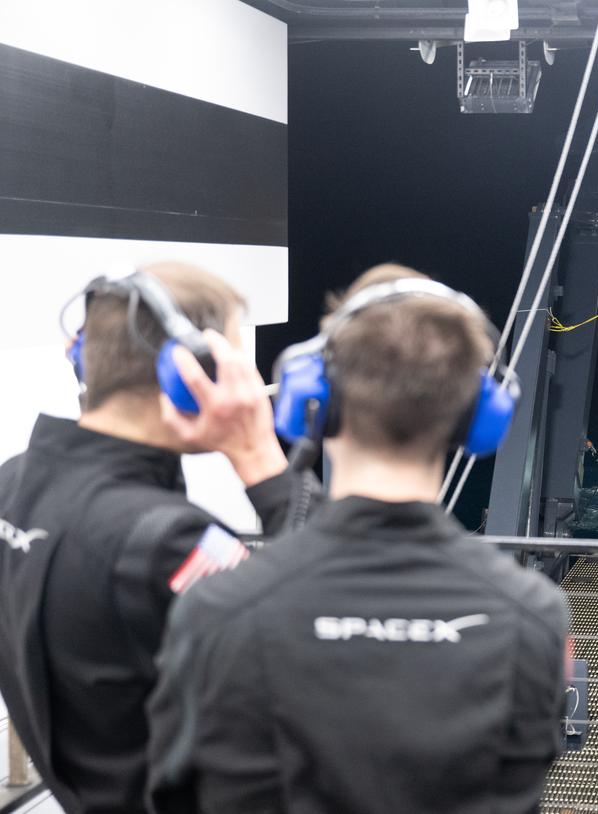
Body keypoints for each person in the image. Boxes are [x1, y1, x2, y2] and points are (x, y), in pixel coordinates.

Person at [147, 264, 570, 814]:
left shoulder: (217, 610)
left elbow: (172, 795)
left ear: (312, 400)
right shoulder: (534, 616)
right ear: (477, 419)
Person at [0, 263, 301, 814]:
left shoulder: (12, 481)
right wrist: (261, 458)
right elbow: (325, 642)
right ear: (194, 373)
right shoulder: (170, 544)